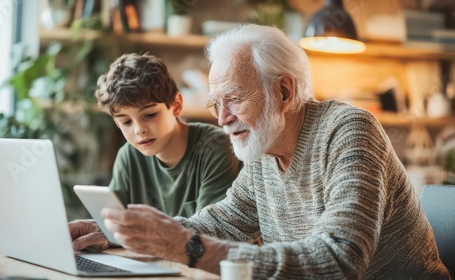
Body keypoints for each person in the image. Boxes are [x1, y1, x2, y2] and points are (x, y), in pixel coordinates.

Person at [100, 24, 450, 279]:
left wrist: (189, 248)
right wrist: (121, 231)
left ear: (283, 92)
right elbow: (222, 222)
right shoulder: (263, 150)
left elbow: (340, 259)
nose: (222, 119)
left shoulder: (349, 130)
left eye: (234, 99)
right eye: (215, 105)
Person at [68, 53, 241, 252]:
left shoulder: (215, 147)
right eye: (126, 121)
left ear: (176, 106)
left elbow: (212, 233)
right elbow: (117, 229)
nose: (139, 129)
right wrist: (107, 233)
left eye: (149, 115)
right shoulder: (128, 156)